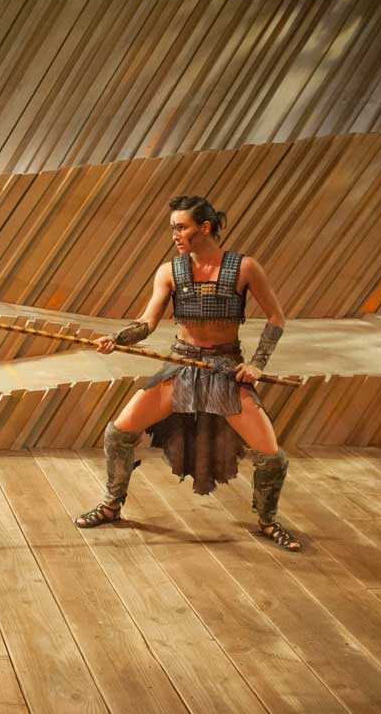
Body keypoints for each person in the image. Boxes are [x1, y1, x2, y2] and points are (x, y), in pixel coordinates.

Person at [73, 195, 301, 551]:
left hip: (224, 369)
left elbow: (277, 317)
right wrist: (116, 340)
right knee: (118, 434)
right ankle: (111, 505)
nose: (175, 235)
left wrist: (257, 363)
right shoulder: (169, 271)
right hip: (181, 366)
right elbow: (147, 322)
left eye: (181, 228)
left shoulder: (245, 268)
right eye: (173, 228)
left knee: (271, 455)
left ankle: (268, 521)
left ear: (205, 227)